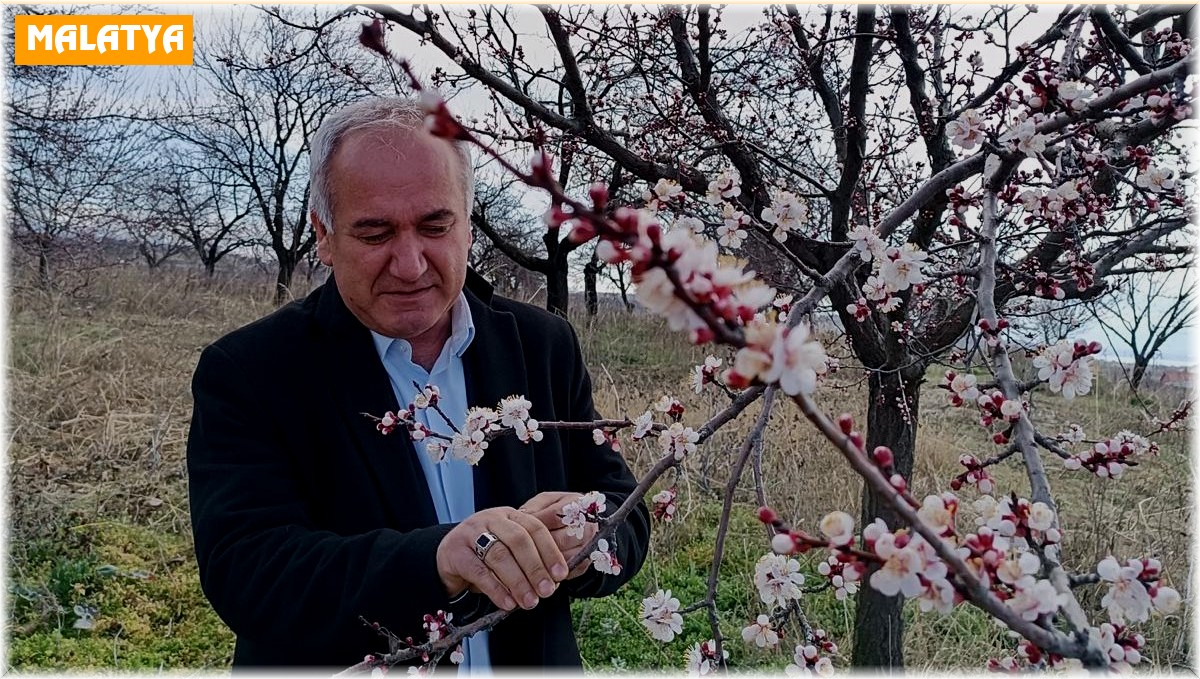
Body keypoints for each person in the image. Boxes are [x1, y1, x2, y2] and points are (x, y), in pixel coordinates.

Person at [186, 97, 650, 671]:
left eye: (434, 225)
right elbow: (248, 572)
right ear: (324, 237)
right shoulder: (251, 370)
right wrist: (439, 560)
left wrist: (584, 543)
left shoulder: (542, 345)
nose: (409, 264)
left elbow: (623, 511)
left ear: (468, 225)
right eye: (375, 233)